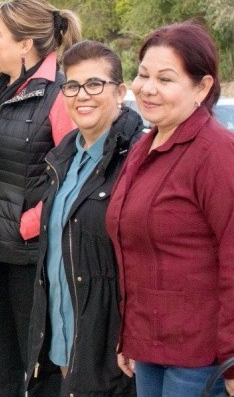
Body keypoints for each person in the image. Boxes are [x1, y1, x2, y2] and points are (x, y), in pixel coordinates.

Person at [0, 0, 80, 396]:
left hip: (33, 257)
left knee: (39, 367)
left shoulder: (61, 95)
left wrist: (30, 224)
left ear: (25, 44)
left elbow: (76, 175)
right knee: (0, 360)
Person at [106, 21, 234, 397]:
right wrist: (128, 335)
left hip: (201, 356)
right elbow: (136, 252)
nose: (147, 88)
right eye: (143, 74)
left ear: (203, 87)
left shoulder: (216, 153)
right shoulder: (147, 146)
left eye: (165, 79)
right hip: (151, 346)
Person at [26, 40, 143, 396]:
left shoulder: (138, 160)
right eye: (72, 86)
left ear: (120, 91)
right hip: (59, 345)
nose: (82, 95)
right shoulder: (63, 158)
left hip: (109, 351)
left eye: (95, 84)